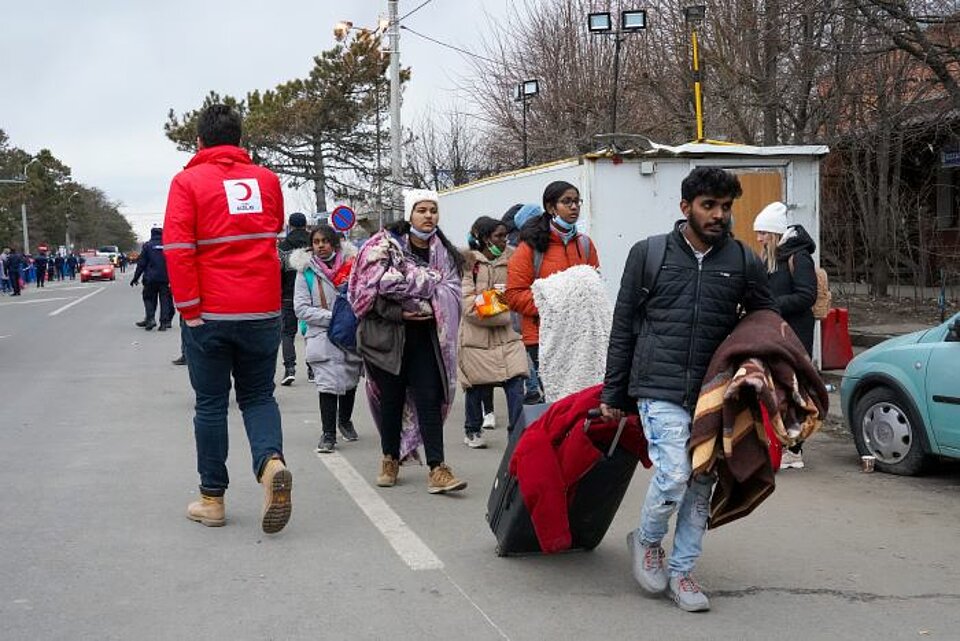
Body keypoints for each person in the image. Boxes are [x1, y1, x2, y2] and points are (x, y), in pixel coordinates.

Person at [600, 166, 776, 612]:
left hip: (713, 392)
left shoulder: (741, 260)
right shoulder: (649, 254)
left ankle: (682, 572)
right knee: (675, 473)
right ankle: (648, 539)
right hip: (657, 385)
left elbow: (765, 319)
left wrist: (753, 364)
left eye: (726, 207)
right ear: (685, 208)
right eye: (709, 205)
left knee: (702, 480)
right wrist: (614, 394)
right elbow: (624, 326)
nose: (719, 215)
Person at [163, 103, 292, 533]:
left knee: (212, 404)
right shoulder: (267, 180)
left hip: (211, 313)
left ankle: (212, 500)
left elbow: (179, 252)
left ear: (198, 142)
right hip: (262, 309)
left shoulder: (187, 182)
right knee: (258, 396)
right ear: (240, 140)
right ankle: (271, 463)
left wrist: (189, 311)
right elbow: (271, 231)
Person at [348, 189, 467, 494]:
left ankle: (437, 468)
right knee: (391, 400)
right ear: (409, 214)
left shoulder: (445, 253)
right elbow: (365, 295)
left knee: (429, 398)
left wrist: (424, 298)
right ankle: (390, 458)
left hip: (429, 339)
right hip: (389, 339)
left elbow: (452, 291)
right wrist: (402, 311)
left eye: (433, 210)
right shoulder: (382, 247)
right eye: (422, 210)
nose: (428, 216)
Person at [505, 182, 599, 405]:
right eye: (567, 202)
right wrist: (557, 303)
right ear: (551, 208)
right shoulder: (529, 248)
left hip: (580, 334)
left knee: (583, 398)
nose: (574, 207)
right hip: (542, 336)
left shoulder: (585, 244)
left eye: (577, 201)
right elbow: (514, 295)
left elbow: (594, 285)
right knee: (558, 400)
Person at [753, 201, 818, 470]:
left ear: (775, 234)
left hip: (795, 337)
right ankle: (779, 442)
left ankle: (795, 448)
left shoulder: (798, 257)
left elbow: (806, 296)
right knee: (777, 389)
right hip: (776, 334)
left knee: (794, 391)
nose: (758, 239)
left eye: (763, 233)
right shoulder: (774, 258)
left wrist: (773, 305)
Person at [458, 216, 527, 449]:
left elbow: (521, 293)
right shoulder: (468, 263)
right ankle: (472, 429)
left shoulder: (515, 258)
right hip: (477, 339)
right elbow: (468, 307)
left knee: (517, 383)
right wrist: (506, 302)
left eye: (505, 235)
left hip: (509, 337)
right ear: (485, 238)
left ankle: (516, 435)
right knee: (477, 386)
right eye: (498, 236)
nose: (503, 240)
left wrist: (490, 303)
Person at [293, 223, 362, 453]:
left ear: (334, 242)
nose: (320, 246)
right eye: (316, 242)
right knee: (327, 384)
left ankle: (345, 420)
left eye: (324, 241)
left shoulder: (353, 265)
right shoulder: (306, 272)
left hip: (350, 331)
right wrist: (333, 317)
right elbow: (301, 308)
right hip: (321, 333)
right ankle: (328, 433)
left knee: (351, 378)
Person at [277, 212, 312, 386]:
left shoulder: (283, 247)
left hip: (288, 296)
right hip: (311, 296)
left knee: (287, 333)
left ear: (290, 225)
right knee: (312, 332)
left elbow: (278, 272)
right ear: (306, 225)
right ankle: (312, 369)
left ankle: (289, 369)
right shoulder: (313, 243)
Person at [130, 226, 174, 331]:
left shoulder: (148, 246)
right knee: (165, 301)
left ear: (152, 234)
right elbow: (173, 262)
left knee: (149, 299)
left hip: (150, 278)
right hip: (165, 279)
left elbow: (141, 264)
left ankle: (150, 319)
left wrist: (135, 278)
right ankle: (164, 323)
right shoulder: (168, 246)